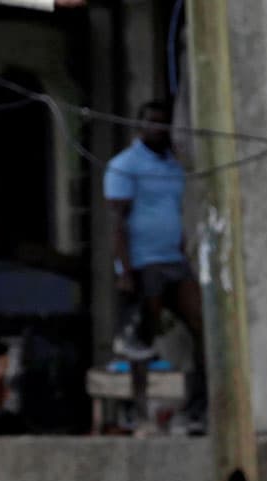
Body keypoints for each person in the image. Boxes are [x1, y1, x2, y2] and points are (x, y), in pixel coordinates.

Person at [105, 99, 208, 433]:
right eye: (152, 123)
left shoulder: (173, 166)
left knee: (203, 326)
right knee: (142, 339)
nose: (158, 130)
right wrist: (124, 271)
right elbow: (117, 222)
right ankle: (139, 410)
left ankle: (196, 407)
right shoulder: (124, 165)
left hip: (174, 261)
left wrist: (184, 253)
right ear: (140, 126)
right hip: (142, 264)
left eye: (164, 124)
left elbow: (175, 213)